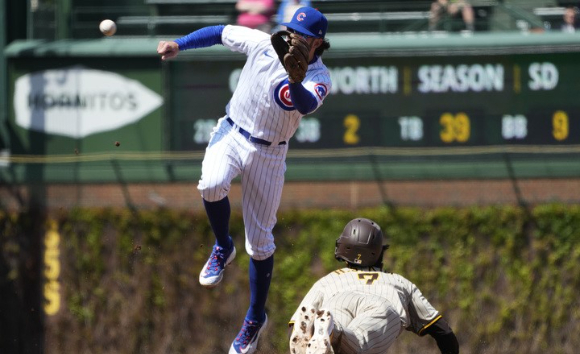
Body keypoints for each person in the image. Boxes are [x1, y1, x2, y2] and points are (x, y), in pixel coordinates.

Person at [157, 7, 332, 354]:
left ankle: (255, 317)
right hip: (233, 131)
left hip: (269, 153)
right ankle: (223, 245)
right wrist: (179, 44)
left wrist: (296, 81)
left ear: (317, 43)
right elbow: (221, 32)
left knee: (261, 243)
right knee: (210, 183)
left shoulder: (320, 75)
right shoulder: (263, 42)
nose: (294, 39)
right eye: (292, 31)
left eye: (303, 37)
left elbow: (307, 104)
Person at [288, 218, 459, 354]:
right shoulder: (398, 282)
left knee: (335, 327)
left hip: (338, 301)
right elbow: (442, 330)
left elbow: (297, 323)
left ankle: (331, 331)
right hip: (380, 306)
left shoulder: (329, 279)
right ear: (377, 251)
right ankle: (333, 332)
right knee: (359, 341)